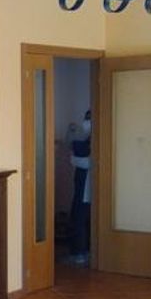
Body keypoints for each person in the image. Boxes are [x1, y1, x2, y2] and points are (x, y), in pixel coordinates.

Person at [66, 110, 91, 266]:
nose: (86, 122)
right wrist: (71, 131)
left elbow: (89, 162)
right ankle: (80, 251)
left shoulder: (96, 137)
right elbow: (69, 144)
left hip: (86, 183)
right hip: (81, 181)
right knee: (78, 215)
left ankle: (80, 253)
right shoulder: (81, 136)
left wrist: (73, 160)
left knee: (80, 216)